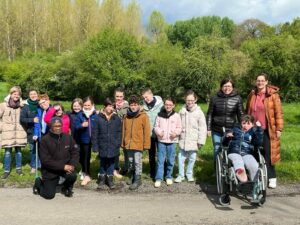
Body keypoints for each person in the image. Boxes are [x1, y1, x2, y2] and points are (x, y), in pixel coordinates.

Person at [246, 73, 284, 189]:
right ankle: (256, 176)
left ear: (267, 82)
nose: (260, 83)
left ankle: (272, 178)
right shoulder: (252, 94)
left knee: (268, 154)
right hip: (253, 130)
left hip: (267, 130)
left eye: (262, 81)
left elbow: (279, 113)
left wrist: (279, 128)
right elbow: (247, 111)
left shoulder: (272, 95)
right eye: (258, 80)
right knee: (253, 153)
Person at [33, 117, 79, 199]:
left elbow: (75, 152)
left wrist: (72, 165)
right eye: (55, 126)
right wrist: (62, 166)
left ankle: (67, 187)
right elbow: (45, 161)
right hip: (50, 171)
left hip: (65, 169)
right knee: (49, 195)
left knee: (72, 175)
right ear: (51, 126)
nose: (58, 128)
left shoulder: (68, 137)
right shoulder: (45, 140)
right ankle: (38, 183)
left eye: (59, 125)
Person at [206, 78, 244, 163]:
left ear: (233, 87)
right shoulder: (214, 98)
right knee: (217, 149)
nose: (227, 88)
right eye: (225, 86)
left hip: (231, 129)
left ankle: (230, 168)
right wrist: (208, 128)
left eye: (229, 86)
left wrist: (242, 126)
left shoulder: (238, 98)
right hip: (217, 129)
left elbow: (241, 114)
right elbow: (209, 114)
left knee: (231, 148)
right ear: (221, 87)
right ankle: (217, 171)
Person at [175, 90, 207, 183]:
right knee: (181, 157)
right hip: (183, 139)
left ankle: (189, 174)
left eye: (192, 100)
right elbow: (178, 125)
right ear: (185, 100)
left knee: (192, 158)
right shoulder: (182, 111)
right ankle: (181, 175)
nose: (190, 102)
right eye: (188, 100)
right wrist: (177, 138)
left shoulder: (199, 112)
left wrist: (201, 141)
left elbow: (202, 128)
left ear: (195, 100)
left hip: (194, 139)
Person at [223, 115, 264, 182]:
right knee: (238, 160)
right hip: (234, 152)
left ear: (252, 125)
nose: (245, 126)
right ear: (240, 124)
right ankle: (240, 172)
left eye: (248, 124)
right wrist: (227, 137)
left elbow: (258, 143)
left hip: (247, 153)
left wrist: (259, 129)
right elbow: (224, 143)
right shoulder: (234, 130)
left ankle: (254, 182)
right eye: (243, 123)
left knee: (253, 165)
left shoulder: (253, 133)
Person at [122, 95, 151, 190]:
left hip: (138, 144)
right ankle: (133, 175)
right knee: (131, 161)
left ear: (138, 105)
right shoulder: (126, 117)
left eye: (135, 104)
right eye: (131, 105)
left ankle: (138, 179)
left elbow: (147, 131)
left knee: (137, 162)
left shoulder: (143, 116)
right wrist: (123, 142)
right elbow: (124, 130)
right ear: (129, 106)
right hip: (129, 143)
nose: (133, 107)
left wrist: (146, 144)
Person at [93, 98, 122, 189]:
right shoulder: (98, 118)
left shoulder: (117, 118)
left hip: (113, 145)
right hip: (102, 144)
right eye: (108, 106)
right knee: (103, 162)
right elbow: (95, 133)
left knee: (111, 163)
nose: (110, 108)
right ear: (104, 107)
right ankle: (101, 178)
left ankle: (109, 179)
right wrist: (95, 146)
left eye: (112, 106)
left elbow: (119, 132)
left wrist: (118, 143)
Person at [154, 97, 182, 188]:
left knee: (170, 160)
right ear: (164, 105)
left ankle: (168, 176)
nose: (168, 106)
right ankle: (158, 178)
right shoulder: (159, 115)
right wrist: (159, 132)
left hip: (172, 141)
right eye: (166, 104)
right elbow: (156, 126)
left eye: (170, 105)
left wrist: (176, 133)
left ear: (173, 105)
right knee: (160, 160)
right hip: (161, 141)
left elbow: (179, 128)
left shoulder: (177, 116)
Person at [0, 86, 27, 179]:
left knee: (18, 152)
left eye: (18, 94)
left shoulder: (22, 105)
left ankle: (19, 169)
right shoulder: (3, 105)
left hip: (19, 132)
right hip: (8, 133)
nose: (16, 95)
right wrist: (2, 127)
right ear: (10, 94)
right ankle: (6, 171)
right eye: (14, 94)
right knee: (7, 152)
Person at [75, 96, 98, 186]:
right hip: (84, 140)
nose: (87, 107)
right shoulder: (80, 115)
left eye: (89, 105)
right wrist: (81, 125)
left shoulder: (96, 115)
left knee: (99, 156)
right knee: (85, 157)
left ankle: (102, 173)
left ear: (92, 105)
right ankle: (85, 172)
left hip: (94, 139)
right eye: (85, 105)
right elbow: (76, 127)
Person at [142, 88, 163, 179]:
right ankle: (152, 171)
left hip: (159, 134)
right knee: (151, 154)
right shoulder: (144, 107)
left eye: (146, 97)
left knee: (161, 153)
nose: (145, 99)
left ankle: (162, 171)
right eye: (144, 98)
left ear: (151, 94)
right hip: (149, 135)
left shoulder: (161, 105)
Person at [20, 88, 40, 173]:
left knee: (43, 149)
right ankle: (33, 166)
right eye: (31, 94)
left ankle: (43, 165)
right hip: (31, 131)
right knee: (33, 150)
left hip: (42, 131)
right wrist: (32, 120)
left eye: (34, 94)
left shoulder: (40, 104)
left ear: (37, 95)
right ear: (29, 95)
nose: (33, 95)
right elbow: (22, 119)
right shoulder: (25, 106)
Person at [113, 87, 129, 178]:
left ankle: (126, 168)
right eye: (117, 96)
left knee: (126, 150)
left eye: (121, 96)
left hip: (125, 132)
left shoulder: (127, 106)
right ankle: (116, 167)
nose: (119, 98)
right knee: (116, 151)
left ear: (123, 96)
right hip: (114, 133)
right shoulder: (111, 105)